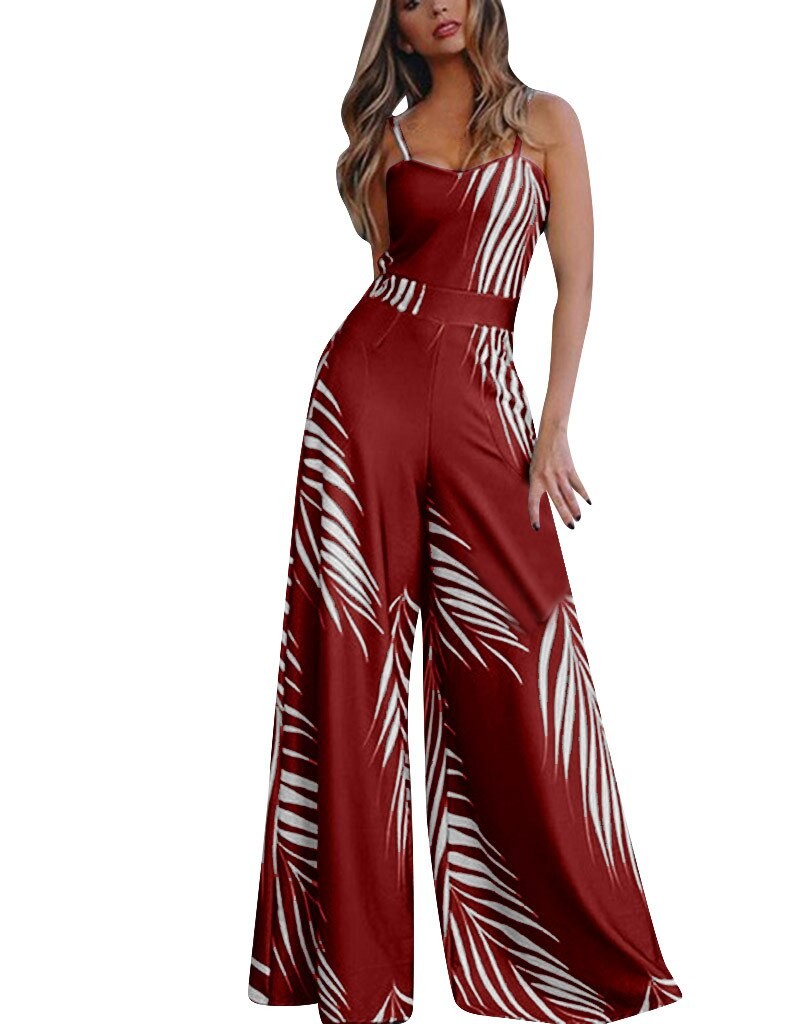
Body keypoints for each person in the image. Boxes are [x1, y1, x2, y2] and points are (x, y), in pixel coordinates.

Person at [247, 2, 682, 1021]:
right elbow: (389, 276)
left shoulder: (547, 122)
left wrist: (554, 426)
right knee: (351, 670)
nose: (437, 3)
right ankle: (357, 984)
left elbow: (576, 282)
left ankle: (577, 960)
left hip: (488, 403)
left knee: (528, 653)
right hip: (365, 397)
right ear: (396, 28)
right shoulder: (385, 144)